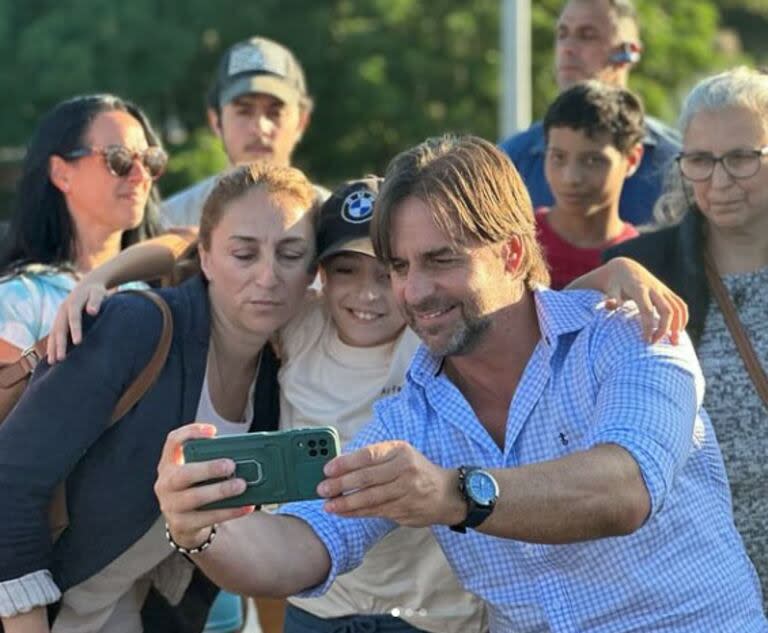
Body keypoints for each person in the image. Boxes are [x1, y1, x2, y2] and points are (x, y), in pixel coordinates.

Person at [155, 135, 767, 632]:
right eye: (400, 267)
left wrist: (456, 494)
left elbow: (625, 487)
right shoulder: (411, 416)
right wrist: (202, 529)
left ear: (510, 253)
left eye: (441, 259)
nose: (414, 292)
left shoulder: (631, 331)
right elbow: (303, 545)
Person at [0, 163, 316, 633]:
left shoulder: (273, 383)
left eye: (290, 255)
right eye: (244, 254)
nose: (268, 276)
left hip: (121, 612)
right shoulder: (134, 326)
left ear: (312, 270)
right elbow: (9, 481)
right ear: (206, 258)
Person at [605, 66, 768, 605]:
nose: (719, 182)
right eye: (700, 161)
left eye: (742, 158)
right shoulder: (643, 269)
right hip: (693, 581)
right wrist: (602, 280)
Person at [0, 94, 165, 364]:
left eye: (150, 160)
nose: (140, 175)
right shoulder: (18, 300)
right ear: (62, 174)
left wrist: (103, 276)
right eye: (119, 159)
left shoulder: (157, 291)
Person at [499, 0, 680, 226]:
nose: (567, 48)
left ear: (628, 52)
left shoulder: (674, 163)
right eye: (562, 34)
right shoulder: (514, 160)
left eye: (587, 35)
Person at [162, 36, 325, 228]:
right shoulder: (171, 220)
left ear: (301, 123)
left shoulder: (330, 217)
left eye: (274, 112)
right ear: (216, 121)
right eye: (244, 111)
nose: (260, 127)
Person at [537, 80, 642, 288]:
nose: (571, 177)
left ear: (631, 159)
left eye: (592, 160)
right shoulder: (514, 246)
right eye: (558, 157)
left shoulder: (643, 260)